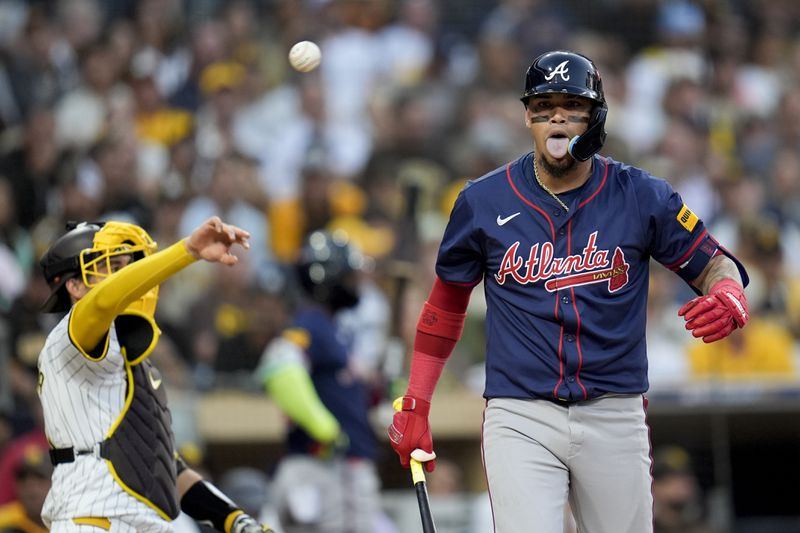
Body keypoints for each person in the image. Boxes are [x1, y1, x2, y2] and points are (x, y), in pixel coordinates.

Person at [386, 50, 750, 533]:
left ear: (596, 117)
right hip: (521, 412)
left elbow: (714, 263)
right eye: (543, 105)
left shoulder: (642, 195)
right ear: (527, 116)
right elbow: (446, 303)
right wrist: (417, 399)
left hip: (613, 409)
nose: (556, 116)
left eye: (571, 105)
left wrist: (729, 292)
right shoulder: (481, 200)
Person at [36, 217, 274, 533]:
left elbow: (162, 465)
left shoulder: (132, 362)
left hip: (142, 521)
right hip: (91, 515)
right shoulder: (70, 336)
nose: (129, 275)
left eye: (129, 264)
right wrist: (187, 251)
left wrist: (234, 519)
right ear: (75, 286)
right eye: (113, 265)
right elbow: (104, 300)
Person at [256, 230, 381, 533]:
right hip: (321, 466)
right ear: (328, 280)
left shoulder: (333, 327)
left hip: (342, 466)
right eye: (349, 277)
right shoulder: (310, 322)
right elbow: (279, 366)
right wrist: (323, 427)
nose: (356, 285)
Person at [0, 445, 52, 533]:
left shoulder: (71, 520)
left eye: (40, 478)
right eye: (23, 479)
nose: (31, 488)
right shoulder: (4, 522)